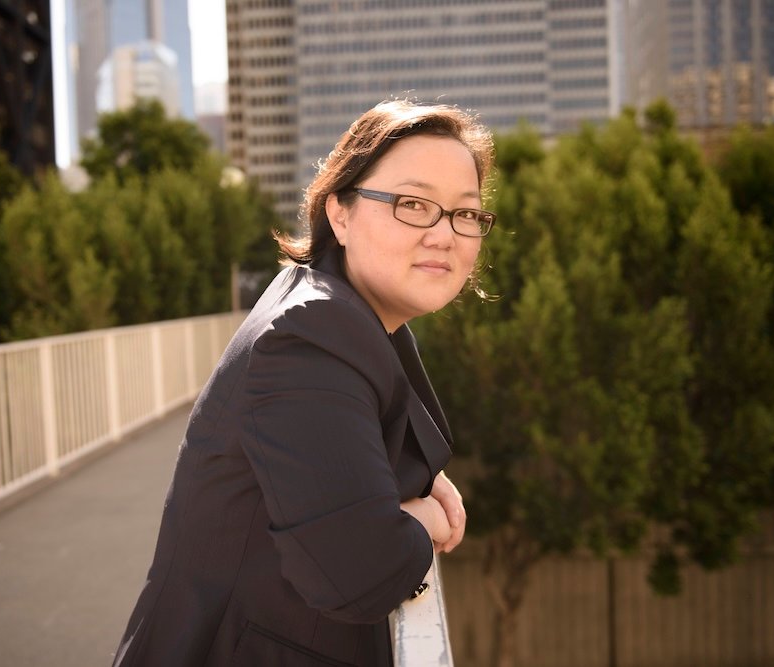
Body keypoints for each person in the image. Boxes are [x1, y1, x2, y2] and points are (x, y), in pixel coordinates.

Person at [112, 99, 495, 667]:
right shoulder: (312, 336)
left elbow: (346, 442)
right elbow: (360, 573)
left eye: (465, 214)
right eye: (413, 204)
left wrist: (419, 478)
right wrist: (423, 520)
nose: (446, 234)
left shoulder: (344, 310)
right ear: (339, 213)